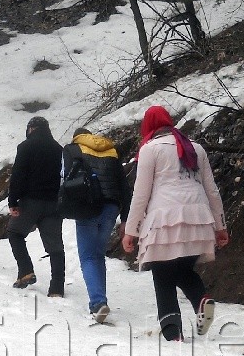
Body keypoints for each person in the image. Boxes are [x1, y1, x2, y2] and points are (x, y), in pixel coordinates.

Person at [122, 106, 228, 341]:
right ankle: (201, 299)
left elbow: (141, 194)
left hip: (165, 219)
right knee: (181, 269)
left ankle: (173, 332)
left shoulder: (150, 150)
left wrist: (132, 231)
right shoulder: (195, 148)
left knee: (162, 273)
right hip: (199, 218)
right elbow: (212, 190)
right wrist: (221, 226)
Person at [64, 127, 130, 320]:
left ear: (77, 137)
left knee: (88, 257)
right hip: (111, 208)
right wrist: (125, 218)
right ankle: (101, 300)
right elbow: (124, 187)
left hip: (87, 207)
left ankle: (98, 302)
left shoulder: (72, 149)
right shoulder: (111, 150)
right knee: (98, 255)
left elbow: (65, 178)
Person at [7, 116, 65, 296]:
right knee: (55, 247)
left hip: (30, 202)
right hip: (54, 203)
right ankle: (57, 288)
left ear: (31, 128)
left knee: (15, 233)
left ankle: (25, 270)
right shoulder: (59, 149)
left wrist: (13, 201)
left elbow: (18, 175)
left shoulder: (26, 146)